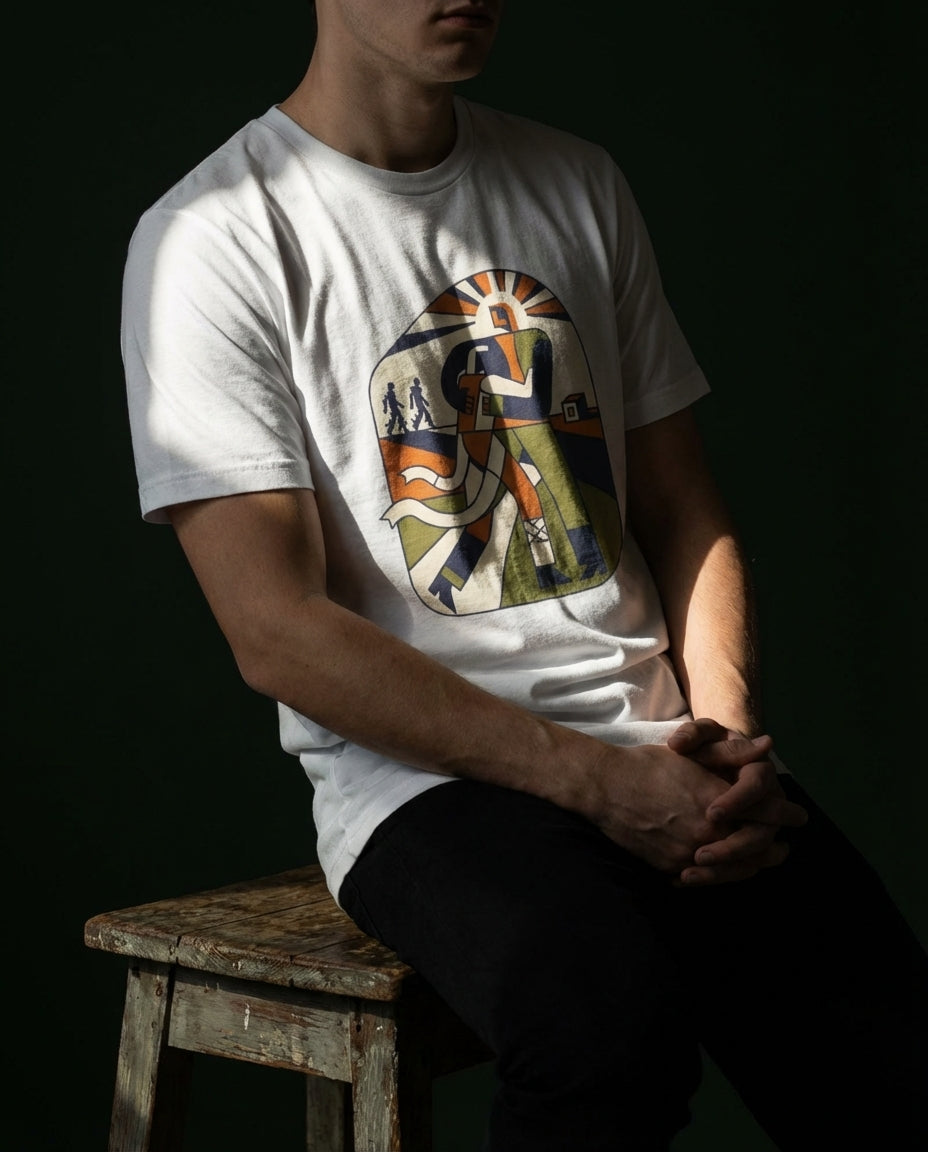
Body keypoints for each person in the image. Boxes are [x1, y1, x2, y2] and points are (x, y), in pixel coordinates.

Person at [120, 2, 928, 1148]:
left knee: (891, 1060)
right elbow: (276, 631)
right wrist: (597, 786)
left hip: (668, 751)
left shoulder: (576, 181)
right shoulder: (215, 238)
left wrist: (734, 744)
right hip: (426, 788)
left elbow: (682, 508)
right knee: (606, 1024)